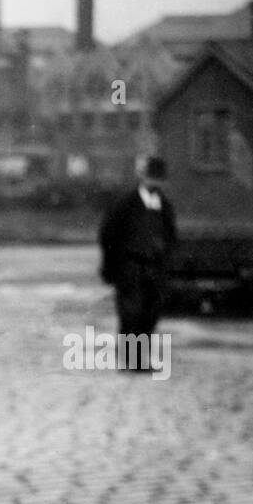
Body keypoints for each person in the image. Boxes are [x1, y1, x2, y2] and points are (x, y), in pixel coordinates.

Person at [98, 155, 178, 372]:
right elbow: (108, 235)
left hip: (154, 270)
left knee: (149, 316)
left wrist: (165, 264)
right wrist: (111, 267)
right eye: (152, 179)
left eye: (159, 180)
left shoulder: (164, 207)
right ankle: (128, 361)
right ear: (143, 178)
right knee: (130, 315)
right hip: (129, 269)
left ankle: (140, 361)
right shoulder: (125, 203)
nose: (155, 184)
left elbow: (171, 238)